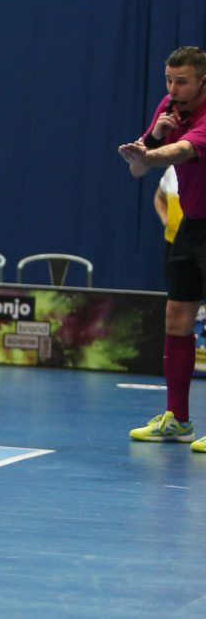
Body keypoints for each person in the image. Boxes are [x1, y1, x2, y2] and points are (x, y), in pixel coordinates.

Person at [118, 45, 206, 452]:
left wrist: (153, 151)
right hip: (192, 225)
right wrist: (151, 138)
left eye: (182, 80)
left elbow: (182, 150)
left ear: (203, 79)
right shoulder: (169, 106)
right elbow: (139, 167)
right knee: (176, 318)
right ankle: (178, 420)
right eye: (169, 79)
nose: (173, 87)